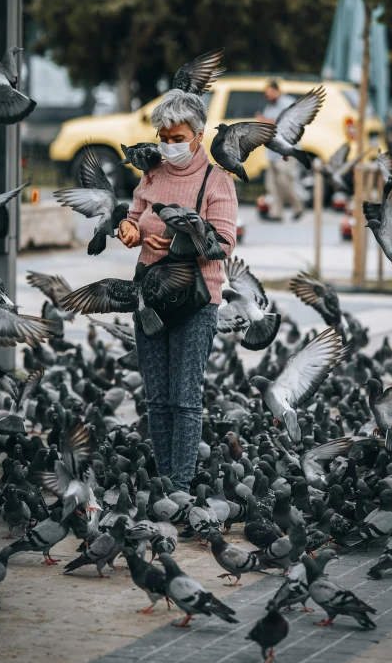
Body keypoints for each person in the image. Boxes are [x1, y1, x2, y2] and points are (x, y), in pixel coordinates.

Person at [118, 89, 237, 491]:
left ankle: (181, 487)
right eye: (163, 138)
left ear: (198, 135)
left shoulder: (216, 180)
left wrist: (174, 245)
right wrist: (129, 230)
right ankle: (166, 482)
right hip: (149, 296)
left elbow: (223, 242)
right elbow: (134, 216)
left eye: (177, 138)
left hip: (195, 300)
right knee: (156, 398)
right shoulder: (151, 174)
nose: (169, 146)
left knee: (184, 398)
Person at [258, 81, 304, 221]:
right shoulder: (269, 107)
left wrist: (265, 121)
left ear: (276, 90)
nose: (267, 96)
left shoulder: (287, 103)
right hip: (273, 152)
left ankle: (298, 207)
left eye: (269, 92)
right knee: (273, 184)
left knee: (285, 181)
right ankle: (276, 213)